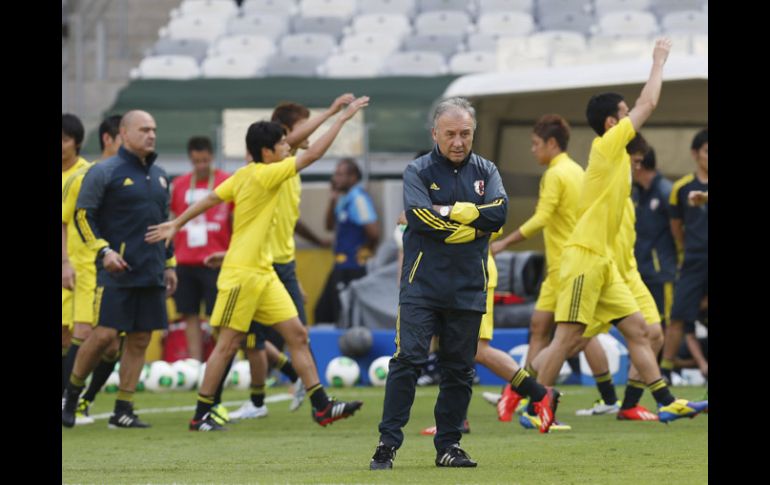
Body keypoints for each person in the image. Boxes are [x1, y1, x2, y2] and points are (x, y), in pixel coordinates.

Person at [145, 96, 370, 432]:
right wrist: (341, 118)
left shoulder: (244, 174)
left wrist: (177, 223)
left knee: (297, 334)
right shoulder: (266, 175)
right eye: (281, 143)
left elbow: (210, 198)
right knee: (228, 344)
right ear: (268, 152)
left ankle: (322, 407)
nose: (286, 146)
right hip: (242, 276)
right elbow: (313, 154)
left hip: (263, 273)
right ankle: (202, 414)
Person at [528, 38, 707, 425]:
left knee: (642, 332)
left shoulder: (620, 159)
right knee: (566, 338)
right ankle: (534, 407)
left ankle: (665, 400)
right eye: (624, 114)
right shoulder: (607, 145)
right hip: (584, 257)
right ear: (612, 122)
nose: (632, 117)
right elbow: (649, 103)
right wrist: (658, 61)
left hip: (604, 263)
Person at [371, 97, 540, 471]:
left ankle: (449, 446)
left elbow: (499, 215)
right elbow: (418, 219)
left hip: (467, 286)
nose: (458, 141)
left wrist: (453, 214)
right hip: (421, 285)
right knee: (408, 361)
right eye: (450, 134)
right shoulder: (417, 170)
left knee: (459, 369)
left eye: (465, 133)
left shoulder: (487, 170)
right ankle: (387, 444)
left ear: (473, 133)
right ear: (435, 133)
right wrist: (470, 226)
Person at [222, 96, 353, 421]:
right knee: (247, 338)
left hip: (282, 262)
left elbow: (292, 222)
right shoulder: (278, 159)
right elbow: (296, 142)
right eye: (302, 126)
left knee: (294, 333)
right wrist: (333, 114)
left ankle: (304, 390)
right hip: (260, 263)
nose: (308, 131)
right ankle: (254, 399)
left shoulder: (288, 167)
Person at [62, 110, 178, 429]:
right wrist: (105, 251)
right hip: (115, 270)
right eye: (143, 129)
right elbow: (83, 217)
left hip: (151, 269)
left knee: (140, 339)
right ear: (123, 134)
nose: (151, 135)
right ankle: (71, 396)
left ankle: (123, 409)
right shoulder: (104, 172)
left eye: (153, 129)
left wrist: (169, 263)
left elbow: (165, 223)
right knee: (103, 336)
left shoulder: (161, 175)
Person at [487, 114, 584, 423]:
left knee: (570, 336)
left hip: (570, 267)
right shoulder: (576, 171)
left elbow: (542, 217)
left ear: (552, 144)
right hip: (559, 268)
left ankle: (535, 400)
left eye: (535, 144)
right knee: (540, 329)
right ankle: (522, 391)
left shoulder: (557, 175)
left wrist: (503, 243)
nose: (532, 150)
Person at [61, 114, 124, 425]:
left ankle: (80, 400)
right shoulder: (87, 176)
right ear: (108, 139)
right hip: (74, 266)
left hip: (91, 266)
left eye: (66, 139)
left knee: (107, 341)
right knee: (76, 334)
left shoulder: (91, 173)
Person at [170, 136, 233, 363]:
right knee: (189, 314)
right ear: (190, 159)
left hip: (215, 260)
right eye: (197, 161)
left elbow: (236, 220)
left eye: (205, 160)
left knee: (220, 316)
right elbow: (172, 218)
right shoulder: (178, 185)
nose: (201, 165)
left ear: (212, 156)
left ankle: (224, 361)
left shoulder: (226, 182)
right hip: (185, 260)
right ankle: (196, 363)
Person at [659, 128, 708, 383]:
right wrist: (688, 247)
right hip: (693, 260)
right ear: (695, 153)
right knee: (677, 316)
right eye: (707, 151)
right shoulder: (681, 188)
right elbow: (676, 227)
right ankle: (666, 370)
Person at [315, 157, 380, 324]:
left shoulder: (359, 199)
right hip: (340, 266)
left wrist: (364, 252)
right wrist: (332, 198)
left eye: (340, 174)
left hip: (353, 268)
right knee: (323, 312)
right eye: (335, 174)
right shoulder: (344, 198)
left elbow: (374, 232)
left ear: (353, 177)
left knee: (344, 313)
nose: (335, 178)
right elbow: (329, 226)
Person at [632, 145, 677, 336]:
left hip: (661, 273)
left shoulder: (666, 191)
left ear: (639, 164)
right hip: (640, 270)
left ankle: (662, 366)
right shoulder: (637, 193)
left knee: (664, 322)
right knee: (644, 325)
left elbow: (680, 229)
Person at [61, 113, 90, 395]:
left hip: (75, 266)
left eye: (65, 139)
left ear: (77, 142)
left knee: (71, 334)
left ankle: (70, 396)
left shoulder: (85, 175)